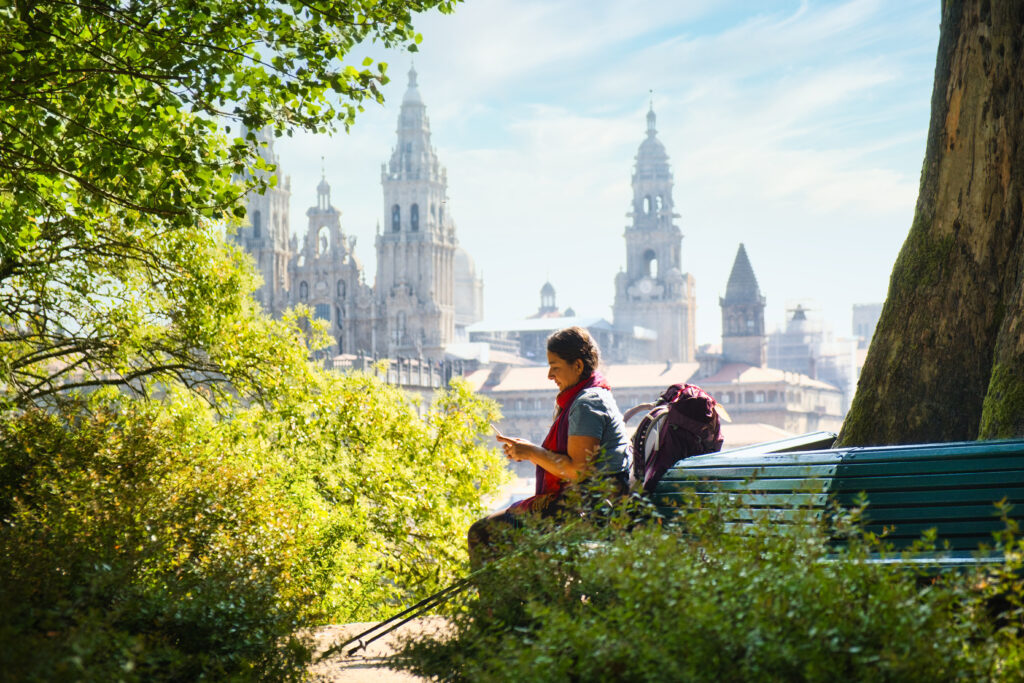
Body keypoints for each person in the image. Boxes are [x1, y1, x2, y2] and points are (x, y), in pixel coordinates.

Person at [467, 326, 631, 566]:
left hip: (589, 509)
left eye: (555, 367)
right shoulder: (589, 397)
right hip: (594, 502)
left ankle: (500, 604)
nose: (549, 375)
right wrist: (527, 450)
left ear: (577, 366)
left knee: (481, 534)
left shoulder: (587, 403)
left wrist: (532, 452)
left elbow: (577, 470)